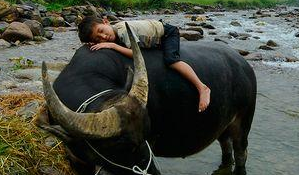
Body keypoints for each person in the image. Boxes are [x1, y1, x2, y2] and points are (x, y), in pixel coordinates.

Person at [78, 15, 211, 112]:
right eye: (97, 39)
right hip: (151, 34)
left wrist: (113, 46)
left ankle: (201, 87)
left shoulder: (123, 31)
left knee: (171, 60)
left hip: (167, 34)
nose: (104, 37)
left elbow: (136, 55)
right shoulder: (113, 32)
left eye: (101, 31)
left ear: (106, 22)